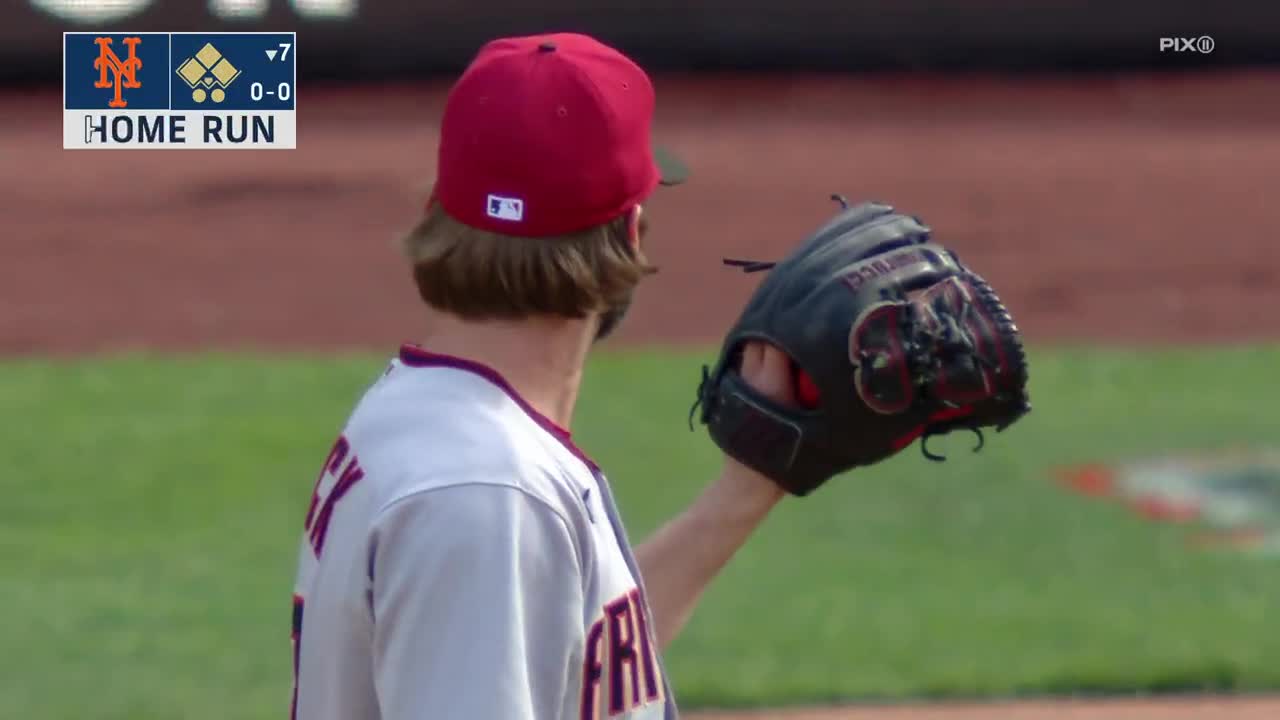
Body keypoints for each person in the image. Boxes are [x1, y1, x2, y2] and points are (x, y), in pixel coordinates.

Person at [289, 32, 796, 720]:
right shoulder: (487, 491)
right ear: (630, 233)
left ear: (439, 208)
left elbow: (574, 665)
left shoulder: (428, 417)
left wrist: (751, 486)